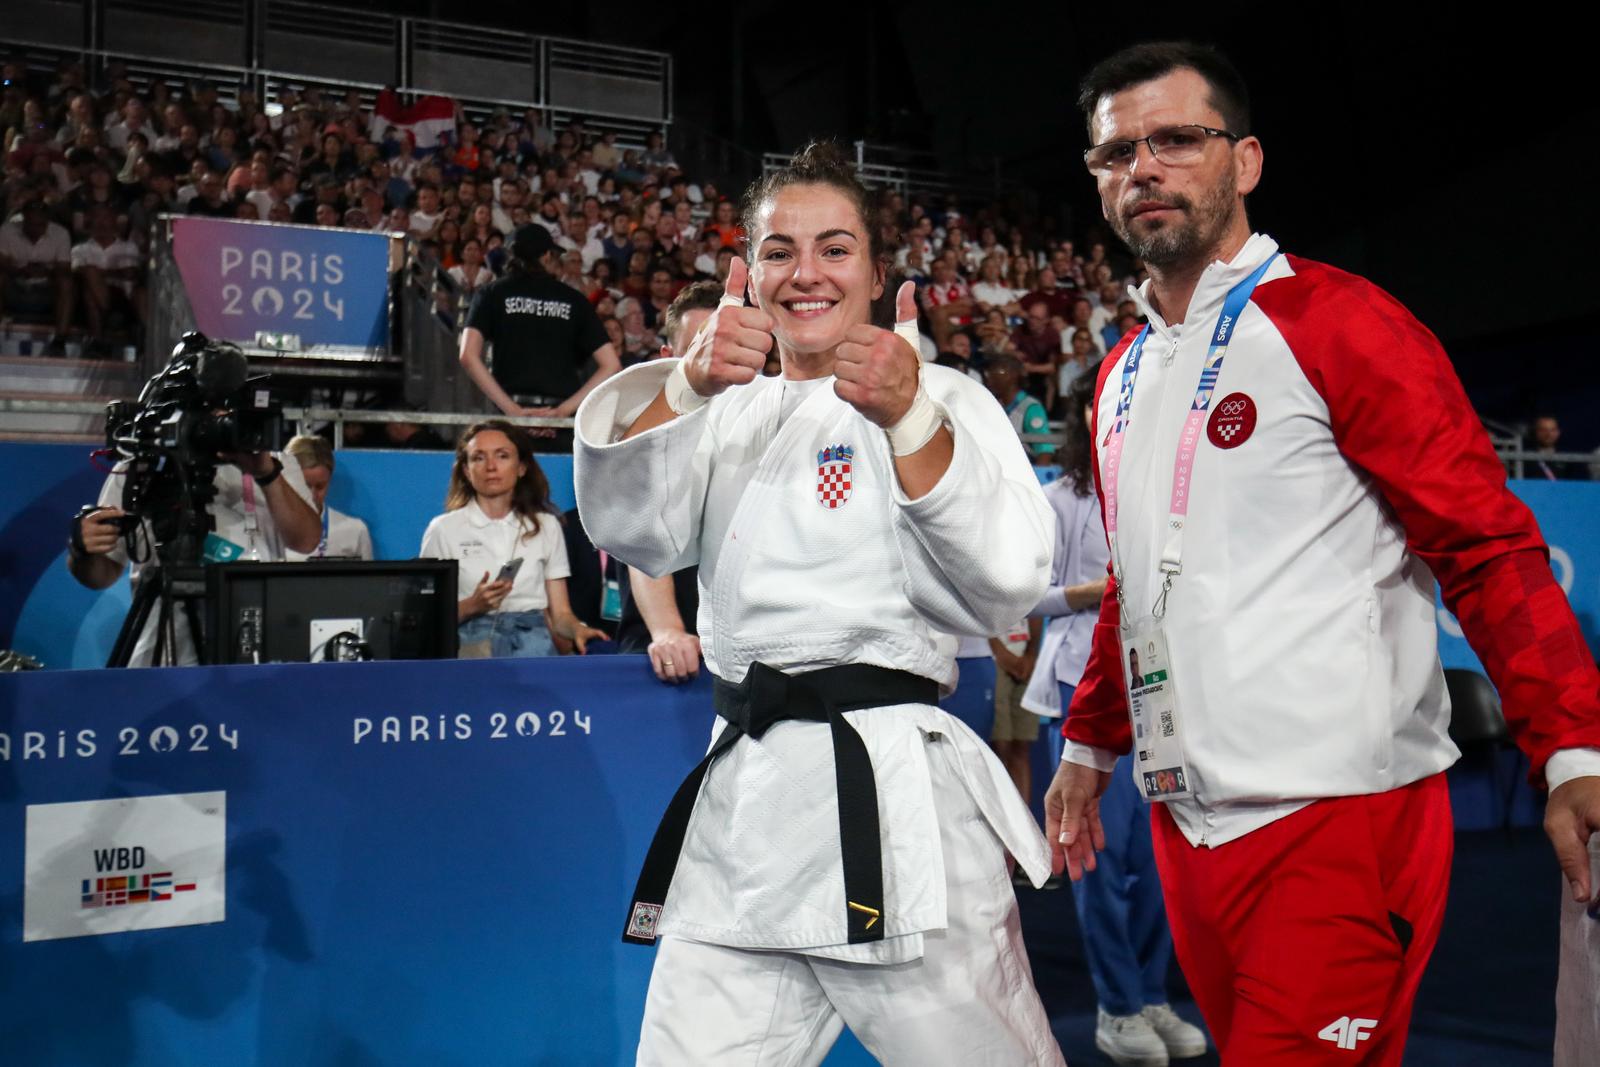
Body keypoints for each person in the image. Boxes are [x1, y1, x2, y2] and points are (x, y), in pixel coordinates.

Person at [1044, 41, 1600, 1065]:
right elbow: (1137, 585)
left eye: (1174, 140)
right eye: (1115, 152)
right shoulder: (1121, 369)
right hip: (1185, 825)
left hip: (1337, 824)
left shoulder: (1341, 323)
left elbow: (1486, 546)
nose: (1143, 169)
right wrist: (1088, 745)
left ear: (1244, 161)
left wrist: (1571, 746)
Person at [573, 142, 1063, 1064]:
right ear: (746, 272)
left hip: (895, 806)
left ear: (879, 273)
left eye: (835, 249)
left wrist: (909, 418)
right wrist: (685, 381)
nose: (805, 273)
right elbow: (635, 531)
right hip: (745, 810)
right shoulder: (721, 410)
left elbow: (1004, 584)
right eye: (778, 250)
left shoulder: (945, 396)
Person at [1024, 366, 1205, 1065]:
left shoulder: (1170, 494)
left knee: (1158, 857)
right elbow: (1021, 597)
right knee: (1097, 857)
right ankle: (1117, 1005)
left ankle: (1153, 994)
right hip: (1080, 691)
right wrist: (1091, 594)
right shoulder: (1057, 499)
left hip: (1161, 695)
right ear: (1092, 424)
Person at [67, 448, 320, 666]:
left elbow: (306, 540)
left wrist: (267, 473)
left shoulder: (274, 461)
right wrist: (81, 551)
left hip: (251, 644)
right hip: (165, 649)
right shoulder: (144, 466)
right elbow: (100, 576)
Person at [420, 420, 605, 659]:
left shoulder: (547, 526)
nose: (491, 466)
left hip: (534, 648)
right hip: (469, 650)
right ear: (466, 470)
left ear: (521, 467)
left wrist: (578, 629)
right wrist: (473, 605)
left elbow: (561, 616)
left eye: (502, 456)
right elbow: (428, 616)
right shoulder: (443, 529)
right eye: (478, 457)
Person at [616, 281, 721, 681]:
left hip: (746, 649)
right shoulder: (645, 431)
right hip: (664, 652)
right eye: (701, 345)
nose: (718, 358)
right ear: (667, 358)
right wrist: (668, 630)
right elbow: (644, 534)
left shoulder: (771, 422)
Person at [456, 224, 621, 432]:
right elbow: (611, 364)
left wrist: (512, 410)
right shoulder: (574, 299)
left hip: (511, 420)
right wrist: (564, 410)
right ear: (545, 257)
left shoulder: (490, 293)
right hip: (559, 422)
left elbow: (467, 355)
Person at [281, 435, 374, 561]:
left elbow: (367, 580)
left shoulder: (355, 530)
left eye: (320, 486)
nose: (312, 496)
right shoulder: (262, 529)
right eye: (305, 486)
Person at [1530, 415, 1589, 481]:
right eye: (1543, 430)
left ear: (1558, 432)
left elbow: (1580, 481)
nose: (1548, 434)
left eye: (1553, 430)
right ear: (1536, 432)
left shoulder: (1569, 457)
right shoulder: (1526, 458)